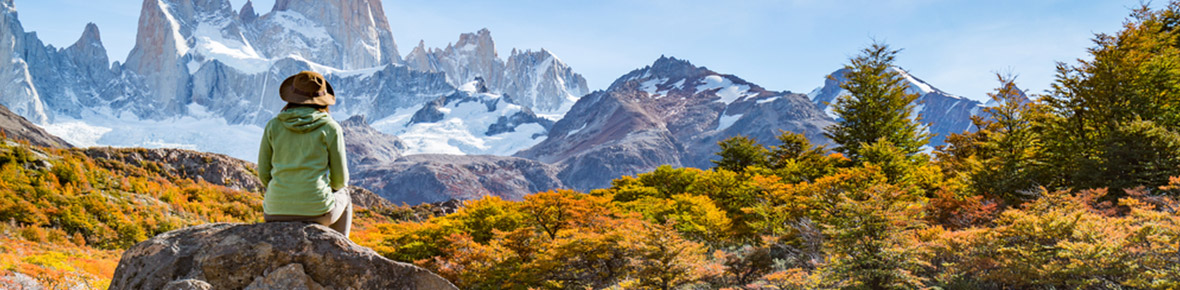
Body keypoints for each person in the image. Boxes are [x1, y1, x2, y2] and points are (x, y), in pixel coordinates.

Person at [257, 71, 352, 237]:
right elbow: (340, 180)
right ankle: (341, 249)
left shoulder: (273, 125)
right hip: (318, 212)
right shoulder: (330, 127)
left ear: (291, 97)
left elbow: (264, 174)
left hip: (274, 211)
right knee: (345, 194)